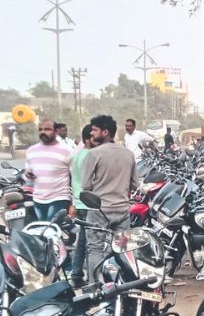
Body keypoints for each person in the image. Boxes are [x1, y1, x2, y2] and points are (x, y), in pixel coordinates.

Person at [82, 115, 139, 280]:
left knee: (95, 249)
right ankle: (123, 285)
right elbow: (135, 183)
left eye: (94, 130)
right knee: (123, 249)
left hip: (99, 210)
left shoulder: (93, 154)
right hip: (122, 210)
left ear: (105, 132)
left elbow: (85, 186)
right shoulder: (128, 154)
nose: (92, 134)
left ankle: (95, 286)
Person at [23, 118, 74, 223]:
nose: (43, 132)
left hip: (59, 198)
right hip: (38, 199)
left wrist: (74, 203)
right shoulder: (32, 150)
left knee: (50, 229)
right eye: (40, 129)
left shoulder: (67, 150)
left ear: (56, 132)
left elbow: (76, 177)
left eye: (47, 129)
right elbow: (27, 175)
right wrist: (28, 176)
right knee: (42, 232)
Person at [67, 124, 97, 285]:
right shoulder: (89, 156)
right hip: (89, 204)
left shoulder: (77, 155)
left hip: (79, 203)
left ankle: (77, 274)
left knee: (82, 242)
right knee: (91, 244)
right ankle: (87, 278)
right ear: (87, 138)